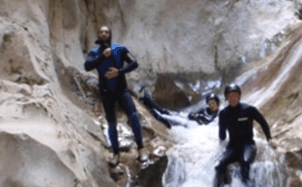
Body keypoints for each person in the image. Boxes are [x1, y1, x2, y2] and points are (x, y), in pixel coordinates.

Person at [84, 25, 146, 166]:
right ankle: (115, 154)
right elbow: (87, 66)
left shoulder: (120, 48)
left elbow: (134, 63)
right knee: (111, 123)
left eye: (106, 32)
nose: (104, 34)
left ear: (110, 34)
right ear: (98, 35)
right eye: (101, 32)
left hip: (121, 90)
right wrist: (102, 56)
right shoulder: (94, 52)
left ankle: (141, 148)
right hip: (106, 92)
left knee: (134, 116)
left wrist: (120, 71)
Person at [214, 83, 275, 187]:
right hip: (232, 146)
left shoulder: (249, 110)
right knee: (220, 166)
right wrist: (221, 135)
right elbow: (222, 136)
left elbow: (263, 122)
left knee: (245, 163)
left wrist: (269, 138)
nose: (233, 98)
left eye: (235, 95)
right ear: (226, 98)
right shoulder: (223, 114)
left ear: (240, 96)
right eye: (230, 96)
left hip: (248, 145)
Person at [140, 90, 220, 129]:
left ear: (217, 103)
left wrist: (198, 119)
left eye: (213, 103)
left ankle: (158, 115)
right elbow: (193, 115)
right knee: (168, 112)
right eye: (210, 103)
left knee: (174, 119)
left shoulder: (217, 115)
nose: (211, 105)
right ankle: (148, 101)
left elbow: (207, 125)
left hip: (193, 126)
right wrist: (197, 118)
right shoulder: (205, 109)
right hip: (190, 119)